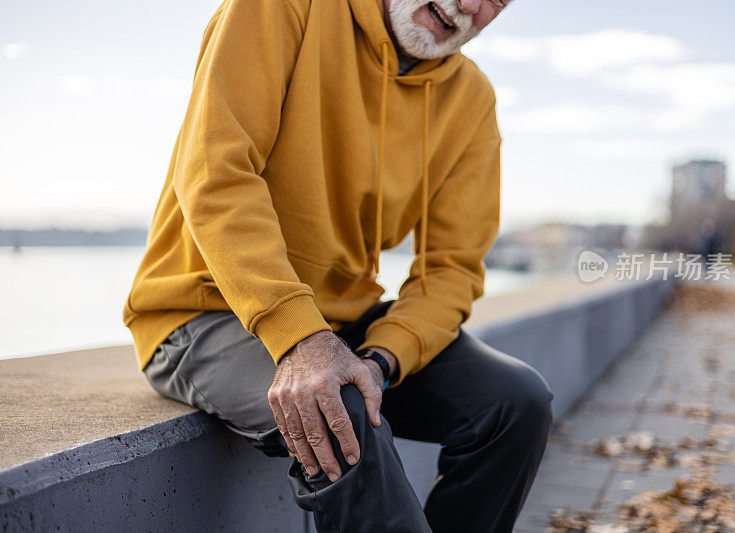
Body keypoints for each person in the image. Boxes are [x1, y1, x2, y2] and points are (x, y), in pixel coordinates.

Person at [122, 0, 553, 531]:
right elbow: (217, 176)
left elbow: (452, 268)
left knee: (516, 403)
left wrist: (381, 359)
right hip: (206, 311)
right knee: (337, 408)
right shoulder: (282, 8)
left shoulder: (471, 97)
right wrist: (301, 338)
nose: (468, 5)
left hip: (343, 324)